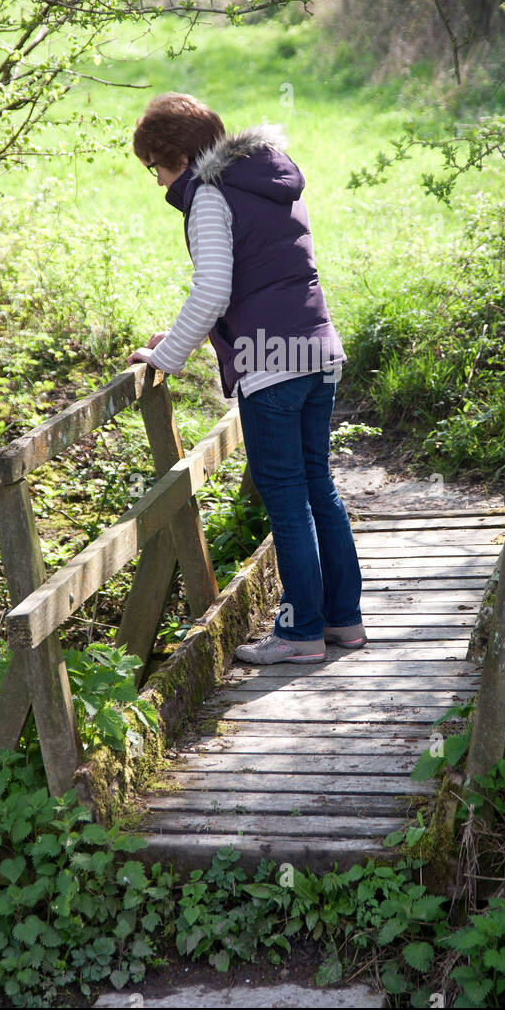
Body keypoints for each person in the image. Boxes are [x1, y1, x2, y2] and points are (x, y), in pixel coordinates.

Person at [126, 92, 364, 664]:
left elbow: (213, 289)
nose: (158, 183)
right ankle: (343, 622)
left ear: (176, 157)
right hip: (316, 350)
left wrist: (165, 359)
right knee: (318, 488)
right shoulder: (269, 180)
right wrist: (176, 335)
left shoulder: (210, 195)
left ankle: (301, 631)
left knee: (286, 499)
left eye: (155, 167)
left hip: (271, 363)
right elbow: (264, 274)